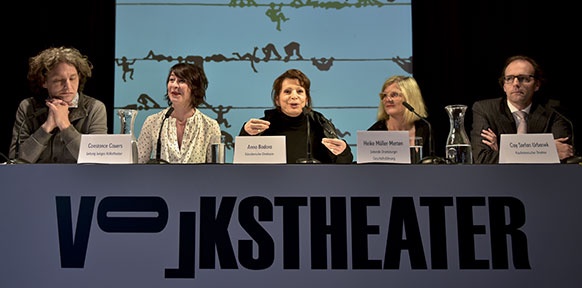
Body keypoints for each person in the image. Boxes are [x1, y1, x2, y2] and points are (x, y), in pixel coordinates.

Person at [8, 46, 107, 163]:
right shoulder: (28, 107)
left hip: (79, 179)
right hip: (37, 179)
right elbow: (16, 160)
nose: (68, 87)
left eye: (72, 78)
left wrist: (64, 124)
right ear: (44, 81)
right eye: (58, 80)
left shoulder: (95, 108)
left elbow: (97, 159)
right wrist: (47, 127)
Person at [470, 55, 575, 164]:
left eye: (523, 78)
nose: (515, 84)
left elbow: (564, 154)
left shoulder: (554, 111)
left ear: (537, 85)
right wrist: (547, 151)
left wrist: (502, 152)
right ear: (504, 86)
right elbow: (482, 158)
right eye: (509, 79)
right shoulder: (485, 110)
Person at [239, 68, 353, 164]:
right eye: (287, 91)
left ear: (306, 99)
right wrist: (246, 134)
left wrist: (343, 152)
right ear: (277, 99)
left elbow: (343, 165)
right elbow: (241, 161)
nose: (294, 96)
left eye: (300, 91)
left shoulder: (320, 125)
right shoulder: (261, 127)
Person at [137, 62, 221, 163]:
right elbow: (138, 165)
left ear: (195, 88)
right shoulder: (152, 122)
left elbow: (216, 171)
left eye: (182, 81)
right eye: (172, 80)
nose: (175, 85)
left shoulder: (210, 126)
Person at [367, 75, 433, 162]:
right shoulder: (374, 133)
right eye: (384, 96)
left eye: (394, 95)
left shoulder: (426, 128)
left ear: (410, 98)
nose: (388, 99)